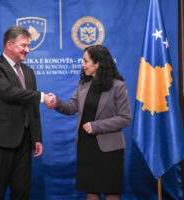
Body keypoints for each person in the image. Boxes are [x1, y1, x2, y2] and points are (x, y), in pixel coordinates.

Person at [47, 45, 132, 200]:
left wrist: (96, 126)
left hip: (110, 149)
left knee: (110, 191)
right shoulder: (83, 84)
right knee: (90, 190)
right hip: (86, 145)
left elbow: (125, 118)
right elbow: (72, 108)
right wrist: (56, 103)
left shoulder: (118, 86)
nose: (82, 64)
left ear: (98, 64)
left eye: (86, 61)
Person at [0, 25, 52, 200]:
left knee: (22, 192)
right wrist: (42, 96)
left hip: (24, 141)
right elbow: (8, 92)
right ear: (9, 44)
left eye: (28, 46)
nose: (27, 50)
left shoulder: (28, 72)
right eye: (23, 45)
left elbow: (32, 106)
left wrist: (36, 137)